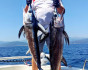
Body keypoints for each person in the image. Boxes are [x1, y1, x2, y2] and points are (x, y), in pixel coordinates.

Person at [24, 0, 65, 70]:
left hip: (53, 29)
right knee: (35, 53)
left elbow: (62, 12)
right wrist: (27, 4)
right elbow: (26, 12)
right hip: (38, 30)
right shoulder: (34, 0)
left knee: (56, 53)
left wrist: (58, 5)